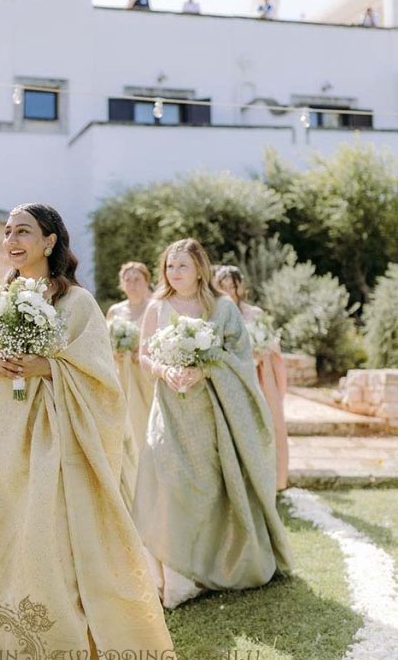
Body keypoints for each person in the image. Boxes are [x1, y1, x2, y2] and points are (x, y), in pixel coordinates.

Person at [0, 204, 180, 660]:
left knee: (51, 551)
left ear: (51, 241)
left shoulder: (78, 303)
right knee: (8, 549)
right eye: (8, 231)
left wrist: (46, 367)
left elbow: (102, 382)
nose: (12, 239)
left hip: (57, 440)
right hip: (1, 439)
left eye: (24, 231)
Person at [133, 238, 293, 610]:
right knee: (170, 481)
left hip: (212, 414)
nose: (174, 273)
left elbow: (239, 356)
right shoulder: (157, 307)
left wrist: (204, 369)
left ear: (200, 269)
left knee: (207, 486)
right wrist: (165, 370)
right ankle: (177, 579)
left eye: (182, 266)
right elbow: (143, 354)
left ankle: (214, 567)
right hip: (169, 410)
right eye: (170, 266)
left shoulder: (221, 308)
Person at [215, 265, 289, 491]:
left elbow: (271, 343)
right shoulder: (214, 312)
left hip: (258, 376)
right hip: (229, 377)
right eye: (223, 286)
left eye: (233, 286)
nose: (229, 291)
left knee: (265, 424)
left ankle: (271, 480)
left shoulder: (255, 314)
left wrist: (261, 351)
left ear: (240, 287)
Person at [106, 262, 154, 463]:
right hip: (121, 374)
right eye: (128, 280)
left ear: (146, 282)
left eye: (137, 280)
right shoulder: (115, 311)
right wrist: (114, 353)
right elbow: (104, 343)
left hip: (145, 376)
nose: (132, 284)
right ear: (122, 284)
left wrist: (143, 351)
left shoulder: (154, 308)